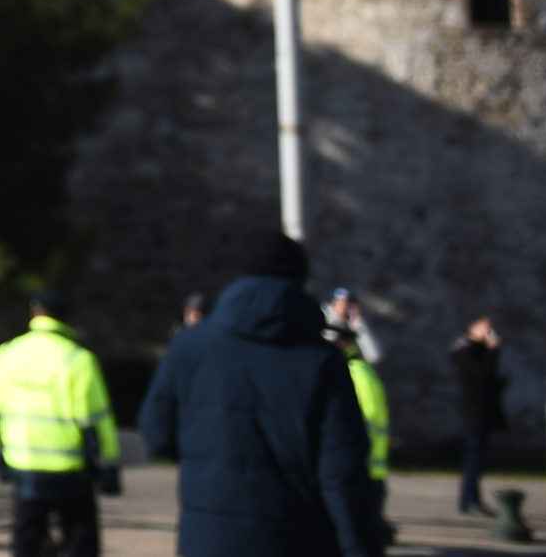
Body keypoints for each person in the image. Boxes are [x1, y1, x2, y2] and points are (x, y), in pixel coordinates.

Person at [137, 231, 377, 557]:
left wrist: (211, 458)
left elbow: (156, 433)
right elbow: (342, 473)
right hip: (296, 536)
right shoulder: (322, 360)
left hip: (208, 535)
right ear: (300, 279)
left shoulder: (189, 347)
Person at [0, 291, 119, 557]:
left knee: (26, 542)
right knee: (80, 542)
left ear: (33, 314)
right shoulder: (79, 360)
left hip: (23, 466)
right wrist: (108, 467)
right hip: (71, 470)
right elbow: (97, 419)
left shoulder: (6, 354)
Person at [328, 322, 390, 540]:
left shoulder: (357, 373)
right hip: (363, 467)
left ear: (343, 345)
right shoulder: (351, 370)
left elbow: (369, 420)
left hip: (364, 468)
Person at [449, 316, 506, 516]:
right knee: (474, 457)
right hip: (474, 413)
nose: (490, 334)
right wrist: (492, 351)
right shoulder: (466, 351)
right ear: (473, 328)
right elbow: (480, 376)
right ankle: (470, 500)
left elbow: (487, 378)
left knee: (477, 457)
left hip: (481, 412)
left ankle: (470, 500)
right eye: (486, 329)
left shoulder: (475, 350)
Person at [322, 287, 384, 364]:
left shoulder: (353, 326)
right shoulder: (320, 318)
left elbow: (373, 356)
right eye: (339, 302)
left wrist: (358, 324)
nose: (342, 307)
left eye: (348, 304)